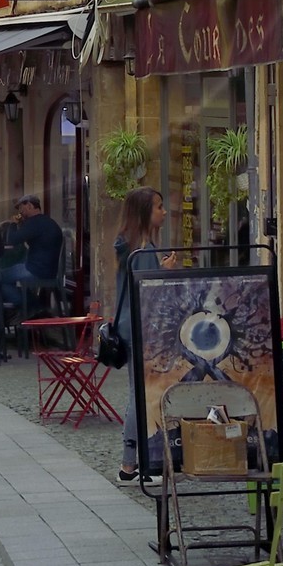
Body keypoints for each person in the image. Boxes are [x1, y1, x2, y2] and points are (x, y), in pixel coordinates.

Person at [115, 185, 165, 484]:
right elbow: (150, 293)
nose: (163, 212)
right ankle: (129, 464)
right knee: (140, 394)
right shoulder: (142, 251)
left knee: (138, 392)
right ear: (145, 212)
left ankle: (133, 462)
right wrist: (165, 271)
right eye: (158, 207)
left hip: (128, 324)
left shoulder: (129, 244)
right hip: (140, 325)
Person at [1, 194, 64, 305]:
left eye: (21, 208)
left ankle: (30, 306)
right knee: (12, 272)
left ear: (29, 205)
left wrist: (13, 224)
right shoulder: (48, 222)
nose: (20, 212)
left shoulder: (34, 222)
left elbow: (12, 239)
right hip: (49, 270)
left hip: (35, 270)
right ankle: (33, 305)